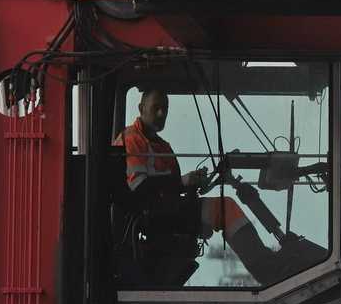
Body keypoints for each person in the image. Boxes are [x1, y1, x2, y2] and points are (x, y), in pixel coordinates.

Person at [114, 88, 323, 286]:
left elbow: (172, 186)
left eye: (165, 108)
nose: (161, 113)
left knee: (224, 206)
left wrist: (196, 182)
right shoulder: (132, 138)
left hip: (167, 209)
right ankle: (266, 269)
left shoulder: (162, 145)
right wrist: (182, 182)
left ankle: (267, 262)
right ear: (141, 109)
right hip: (147, 216)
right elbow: (138, 188)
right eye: (156, 107)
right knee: (224, 209)